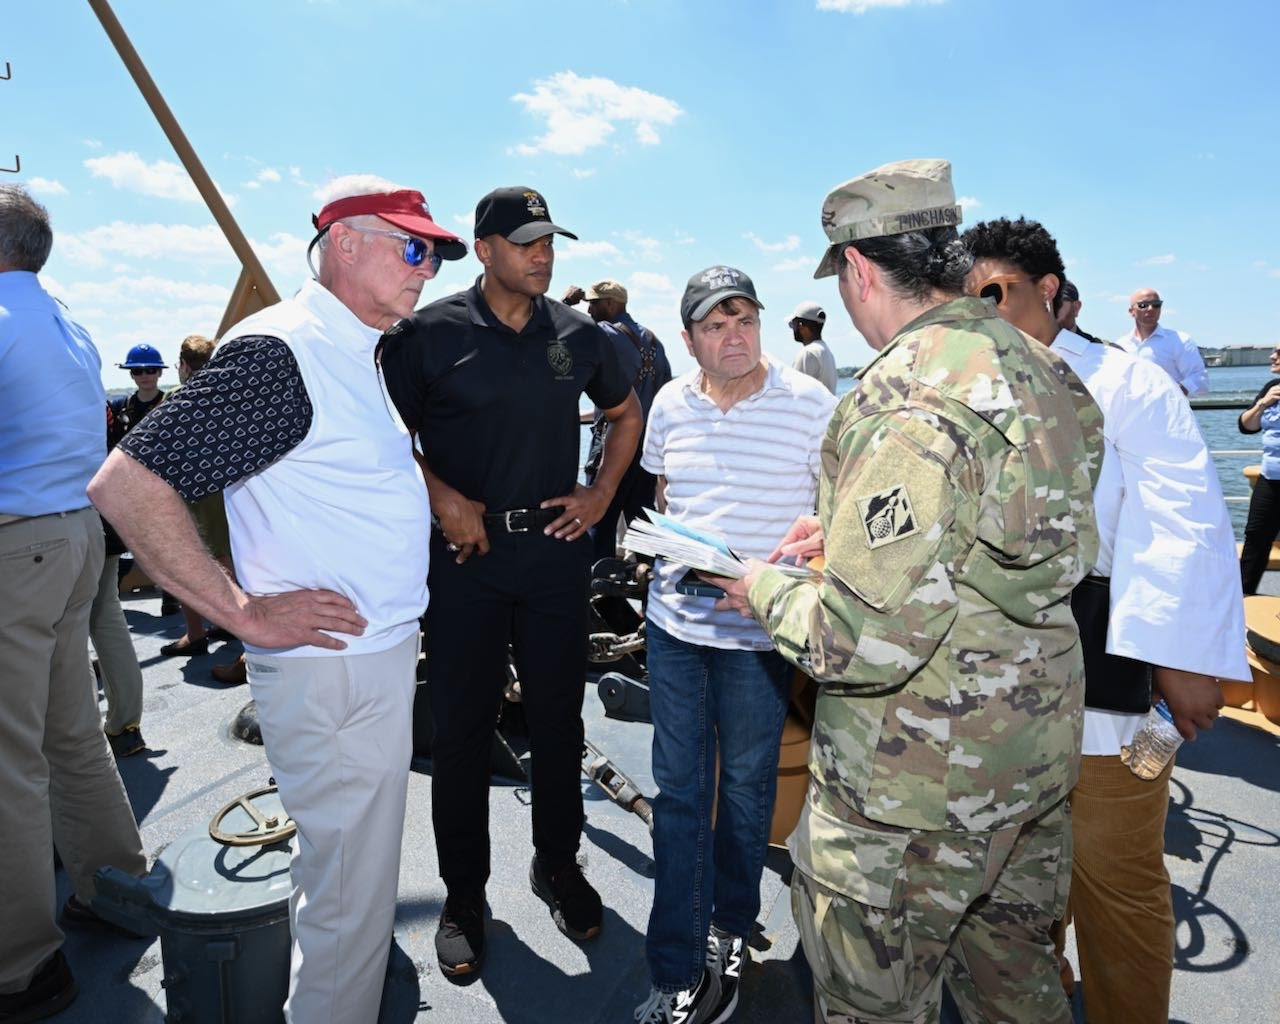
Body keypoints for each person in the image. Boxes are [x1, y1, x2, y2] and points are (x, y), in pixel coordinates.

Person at [716, 159, 1104, 1024]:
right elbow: (1012, 539)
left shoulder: (907, 394)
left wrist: (761, 584)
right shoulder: (1047, 371)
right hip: (1030, 768)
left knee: (874, 1006)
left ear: (857, 272)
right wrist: (846, 534)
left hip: (912, 795)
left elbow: (856, 641)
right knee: (1021, 992)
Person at [88, 175, 465, 1023]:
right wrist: (242, 611)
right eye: (413, 248)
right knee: (346, 911)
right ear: (344, 243)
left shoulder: (353, 347)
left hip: (365, 662)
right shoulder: (281, 352)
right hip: (335, 674)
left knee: (345, 893)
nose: (426, 270)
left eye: (434, 256)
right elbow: (129, 483)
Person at [963, 215, 1247, 1024]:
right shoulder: (973, 391)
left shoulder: (1129, 385)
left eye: (999, 294)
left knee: (1117, 882)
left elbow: (1187, 527)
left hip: (1108, 668)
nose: (984, 315)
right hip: (1000, 678)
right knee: (1015, 892)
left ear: (1049, 291)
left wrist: (1184, 663)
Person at [378, 185, 642, 978]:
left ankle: (558, 867)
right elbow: (384, 438)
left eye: (550, 241)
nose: (543, 254)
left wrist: (599, 495)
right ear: (484, 247)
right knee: (461, 732)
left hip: (556, 558)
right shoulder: (426, 337)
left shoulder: (581, 336)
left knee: (559, 721)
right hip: (467, 564)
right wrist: (442, 497)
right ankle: (465, 896)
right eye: (526, 241)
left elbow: (626, 414)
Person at [633, 267, 835, 1024]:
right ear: (689, 340)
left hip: (762, 634)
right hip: (676, 630)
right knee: (680, 793)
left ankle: (727, 928)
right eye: (715, 325)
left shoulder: (811, 405)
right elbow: (663, 499)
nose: (734, 335)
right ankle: (677, 964)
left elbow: (834, 513)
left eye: (744, 318)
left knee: (748, 791)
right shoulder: (668, 404)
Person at [0, 183, 147, 1022]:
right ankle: (114, 885)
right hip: (75, 536)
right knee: (70, 735)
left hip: (15, 545)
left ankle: (21, 964)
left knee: (8, 757)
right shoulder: (66, 322)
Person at [564, 278, 672, 559]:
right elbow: (665, 394)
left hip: (612, 443)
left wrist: (566, 304)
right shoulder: (654, 341)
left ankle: (597, 593)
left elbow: (559, 331)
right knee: (642, 521)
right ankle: (649, 586)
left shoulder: (601, 334)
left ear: (611, 304)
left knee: (599, 517)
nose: (589, 311)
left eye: (593, 305)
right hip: (646, 447)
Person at [158, 333, 236, 658]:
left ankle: (194, 634)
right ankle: (229, 620)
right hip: (225, 490)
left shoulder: (176, 398)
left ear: (185, 365)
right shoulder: (228, 397)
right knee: (225, 558)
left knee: (185, 563)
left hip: (188, 491)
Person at [89, 401, 147, 757]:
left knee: (61, 631)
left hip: (47, 520)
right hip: (103, 519)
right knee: (107, 617)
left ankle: (76, 739)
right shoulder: (99, 401)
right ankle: (127, 726)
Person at [1238, 344, 1280, 594]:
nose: (1272, 356)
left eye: (1279, 352)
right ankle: (1244, 596)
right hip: (1270, 478)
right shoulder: (1271, 389)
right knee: (1256, 537)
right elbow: (1246, 426)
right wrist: (1263, 404)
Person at [1115, 287, 1208, 396]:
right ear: (1131, 311)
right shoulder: (1120, 346)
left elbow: (1200, 379)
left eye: (1156, 304)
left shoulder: (1180, 341)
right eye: (1143, 305)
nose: (1150, 309)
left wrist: (1173, 392)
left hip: (1169, 412)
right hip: (1131, 412)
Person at [787, 300, 838, 393]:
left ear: (801, 326)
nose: (792, 329)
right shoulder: (826, 352)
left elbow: (794, 394)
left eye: (792, 324)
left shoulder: (808, 353)